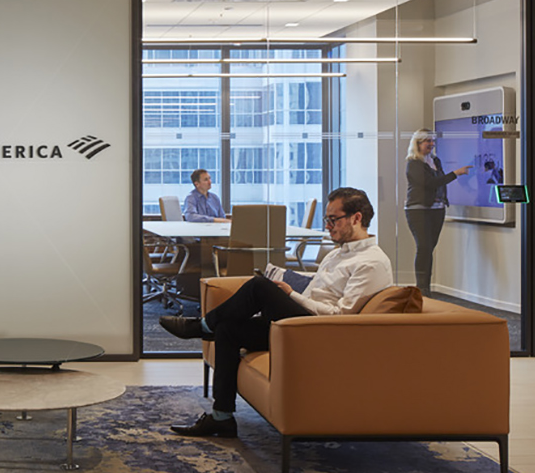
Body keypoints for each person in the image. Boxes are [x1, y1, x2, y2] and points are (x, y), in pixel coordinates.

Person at [158, 187, 392, 437]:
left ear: (357, 218)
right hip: (299, 325)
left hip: (321, 333)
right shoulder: (337, 254)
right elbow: (318, 290)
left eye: (333, 219)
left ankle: (202, 326)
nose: (328, 226)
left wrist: (290, 295)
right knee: (228, 330)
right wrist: (287, 285)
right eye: (327, 219)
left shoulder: (371, 262)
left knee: (259, 287)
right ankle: (222, 417)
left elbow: (341, 317)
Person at [404, 129, 472, 295]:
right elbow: (431, 183)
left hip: (437, 209)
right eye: (428, 141)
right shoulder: (413, 163)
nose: (432, 144)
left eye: (433, 141)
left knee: (429, 248)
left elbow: (439, 182)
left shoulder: (435, 160)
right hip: (418, 210)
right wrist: (456, 173)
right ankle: (422, 288)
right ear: (418, 143)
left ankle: (426, 288)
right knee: (424, 247)